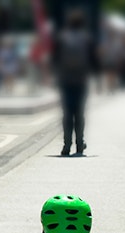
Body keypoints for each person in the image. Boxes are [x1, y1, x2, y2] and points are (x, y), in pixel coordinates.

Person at [53, 10, 97, 156]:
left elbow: (55, 59)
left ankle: (66, 145)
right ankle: (79, 143)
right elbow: (94, 60)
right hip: (81, 80)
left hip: (65, 80)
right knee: (79, 113)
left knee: (67, 113)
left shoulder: (61, 38)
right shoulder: (87, 38)